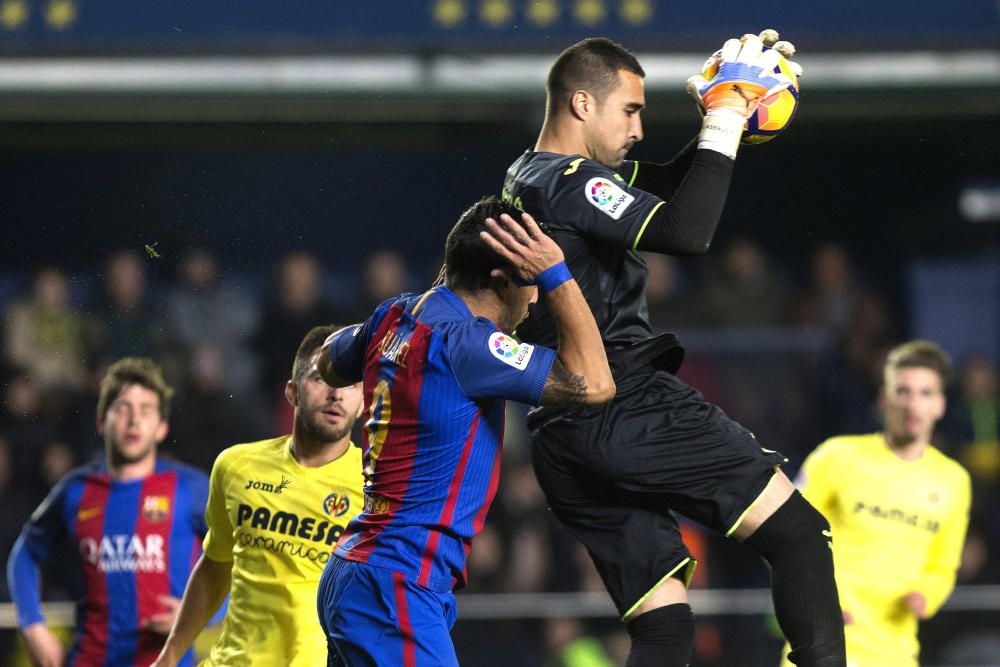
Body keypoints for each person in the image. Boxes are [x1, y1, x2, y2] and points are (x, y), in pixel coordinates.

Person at [500, 34, 846, 666]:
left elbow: (668, 183)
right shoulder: (572, 182)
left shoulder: (531, 175)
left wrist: (725, 120)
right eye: (630, 110)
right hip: (624, 404)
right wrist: (725, 115)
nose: (638, 126)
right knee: (799, 534)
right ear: (582, 103)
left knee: (665, 631)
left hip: (559, 430)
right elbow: (686, 230)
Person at [316, 196, 614, 666]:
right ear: (501, 279)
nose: (535, 299)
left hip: (358, 573)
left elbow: (329, 362)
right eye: (531, 283)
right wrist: (557, 272)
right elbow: (595, 384)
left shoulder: (392, 316)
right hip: (397, 584)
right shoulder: (470, 345)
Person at [152, 326, 366, 667]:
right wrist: (170, 655)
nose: (336, 394)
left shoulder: (377, 487)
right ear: (292, 392)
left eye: (350, 385)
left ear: (363, 404)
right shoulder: (237, 466)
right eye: (320, 379)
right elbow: (215, 564)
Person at [6, 357, 210, 667]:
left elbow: (244, 559)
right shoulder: (75, 490)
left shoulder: (191, 489)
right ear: (102, 421)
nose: (133, 420)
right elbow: (25, 553)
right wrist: (33, 626)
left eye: (145, 410)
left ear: (162, 427)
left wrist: (202, 614)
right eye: (123, 408)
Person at [785, 340, 972, 667]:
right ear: (884, 398)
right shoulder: (836, 456)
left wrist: (927, 595)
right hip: (825, 643)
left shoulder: (954, 480)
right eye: (903, 391)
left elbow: (943, 565)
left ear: (940, 405)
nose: (913, 404)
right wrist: (815, 603)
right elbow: (784, 535)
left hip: (895, 653)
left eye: (925, 393)